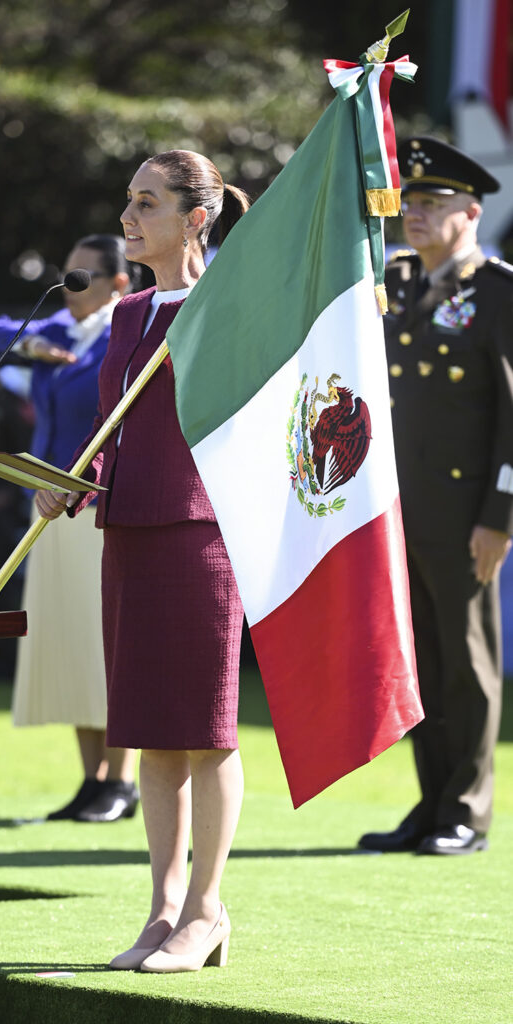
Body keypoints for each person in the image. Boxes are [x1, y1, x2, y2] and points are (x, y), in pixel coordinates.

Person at [36, 150, 250, 972]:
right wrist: (71, 486)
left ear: (196, 219)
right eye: (127, 199)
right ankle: (162, 912)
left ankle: (206, 911)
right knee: (150, 732)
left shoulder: (229, 307)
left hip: (200, 534)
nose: (128, 217)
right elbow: (107, 435)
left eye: (147, 202)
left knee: (204, 734)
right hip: (125, 531)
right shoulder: (126, 317)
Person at [358, 136, 513, 856]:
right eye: (408, 202)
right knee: (414, 662)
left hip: (462, 516)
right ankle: (428, 803)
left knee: (466, 663)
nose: (413, 214)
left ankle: (465, 810)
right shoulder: (391, 282)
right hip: (395, 511)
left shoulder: (496, 292)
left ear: (471, 212)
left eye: (431, 203)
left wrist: (498, 517)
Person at [0, 234, 140, 823]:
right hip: (46, 512)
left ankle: (122, 782)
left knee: (106, 649)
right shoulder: (63, 334)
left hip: (99, 510)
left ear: (120, 283)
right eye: (67, 275)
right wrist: (35, 344)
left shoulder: (129, 333)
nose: (71, 288)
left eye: (83, 277)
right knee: (69, 647)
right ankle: (91, 781)